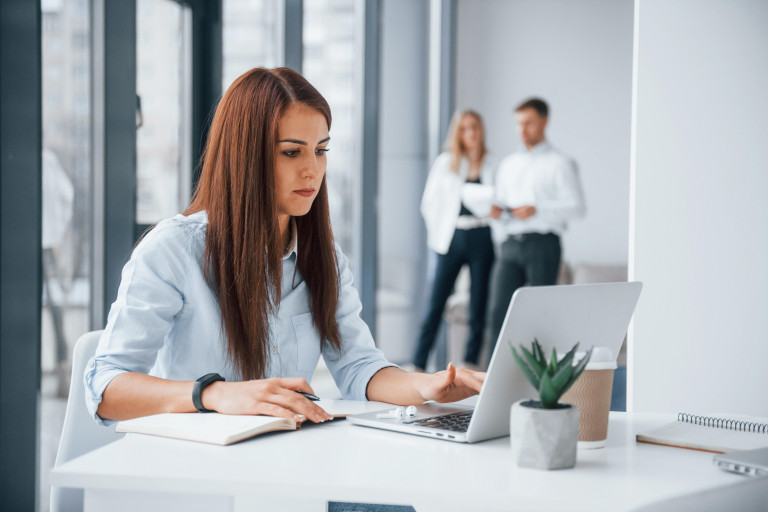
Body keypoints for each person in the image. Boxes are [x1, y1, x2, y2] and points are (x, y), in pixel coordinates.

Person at [84, 67, 484, 431]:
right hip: (199, 471)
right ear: (245, 156)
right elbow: (105, 389)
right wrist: (214, 394)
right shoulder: (173, 249)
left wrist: (427, 386)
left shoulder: (323, 256)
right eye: (292, 152)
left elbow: (358, 367)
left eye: (321, 150)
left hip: (287, 461)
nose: (312, 169)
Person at [487, 98, 586, 345]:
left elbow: (577, 208)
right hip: (509, 245)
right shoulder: (509, 164)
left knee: (540, 316)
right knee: (499, 314)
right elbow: (500, 201)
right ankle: (492, 382)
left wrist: (538, 210)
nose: (523, 130)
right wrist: (498, 214)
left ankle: (538, 382)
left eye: (529, 123)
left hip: (543, 245)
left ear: (544, 122)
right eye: (518, 124)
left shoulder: (560, 163)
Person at [413, 110, 497, 372]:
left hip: (482, 236)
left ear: (481, 130)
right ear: (458, 133)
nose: (470, 133)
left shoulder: (491, 163)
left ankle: (470, 364)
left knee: (478, 305)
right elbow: (429, 204)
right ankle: (417, 364)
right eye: (464, 128)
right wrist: (437, 235)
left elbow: (500, 200)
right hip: (452, 238)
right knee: (436, 303)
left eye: (474, 127)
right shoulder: (445, 163)